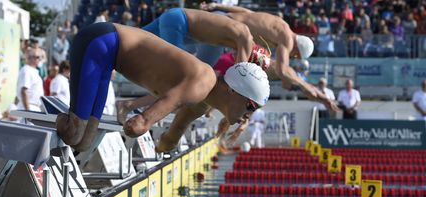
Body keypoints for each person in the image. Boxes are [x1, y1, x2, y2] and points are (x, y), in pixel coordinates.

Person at [56, 22, 270, 152]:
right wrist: (141, 125)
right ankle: (41, 126)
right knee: (75, 134)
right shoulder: (202, 83)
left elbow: (173, 132)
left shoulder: (205, 100)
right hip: (101, 42)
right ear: (234, 91)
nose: (248, 116)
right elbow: (140, 123)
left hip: (108, 54)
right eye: (250, 107)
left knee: (83, 141)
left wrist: (164, 146)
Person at [199, 3, 339, 111]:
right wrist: (305, 86)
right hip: (221, 29)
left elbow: (246, 13)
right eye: (295, 55)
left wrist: (216, 6)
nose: (293, 56)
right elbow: (282, 70)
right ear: (297, 49)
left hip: (218, 19)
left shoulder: (279, 23)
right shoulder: (287, 40)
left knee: (186, 52)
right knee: (199, 77)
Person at [142, 8, 270, 68]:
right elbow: (240, 72)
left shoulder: (236, 38)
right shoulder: (245, 38)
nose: (234, 57)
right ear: (250, 56)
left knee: (130, 37)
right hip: (178, 23)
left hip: (178, 22)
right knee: (176, 69)